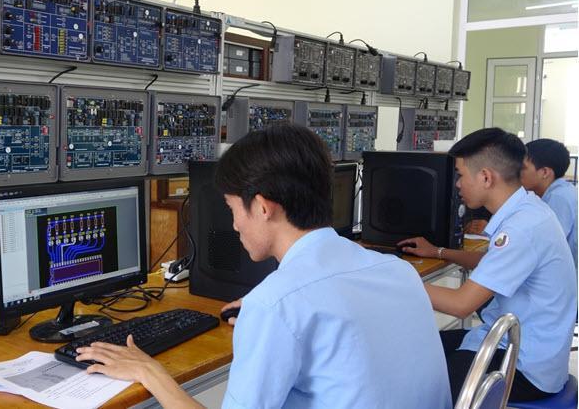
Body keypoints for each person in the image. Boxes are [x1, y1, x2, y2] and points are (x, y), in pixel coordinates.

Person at [75, 124, 452, 408]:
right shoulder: (396, 271)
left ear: (262, 207)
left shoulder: (276, 305)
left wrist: (148, 371)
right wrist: (267, 315)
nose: (235, 224)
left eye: (232, 209)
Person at [398, 128, 577, 402]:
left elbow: (461, 304)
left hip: (525, 366)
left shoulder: (521, 228)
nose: (458, 184)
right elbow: (491, 262)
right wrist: (438, 252)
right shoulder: (529, 210)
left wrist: (395, 277)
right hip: (519, 346)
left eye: (460, 174)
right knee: (415, 349)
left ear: (485, 177)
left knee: (418, 383)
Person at [520, 138, 577, 268]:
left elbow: (544, 246)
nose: (517, 172)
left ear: (545, 172)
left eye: (523, 168)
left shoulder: (559, 197)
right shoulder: (556, 191)